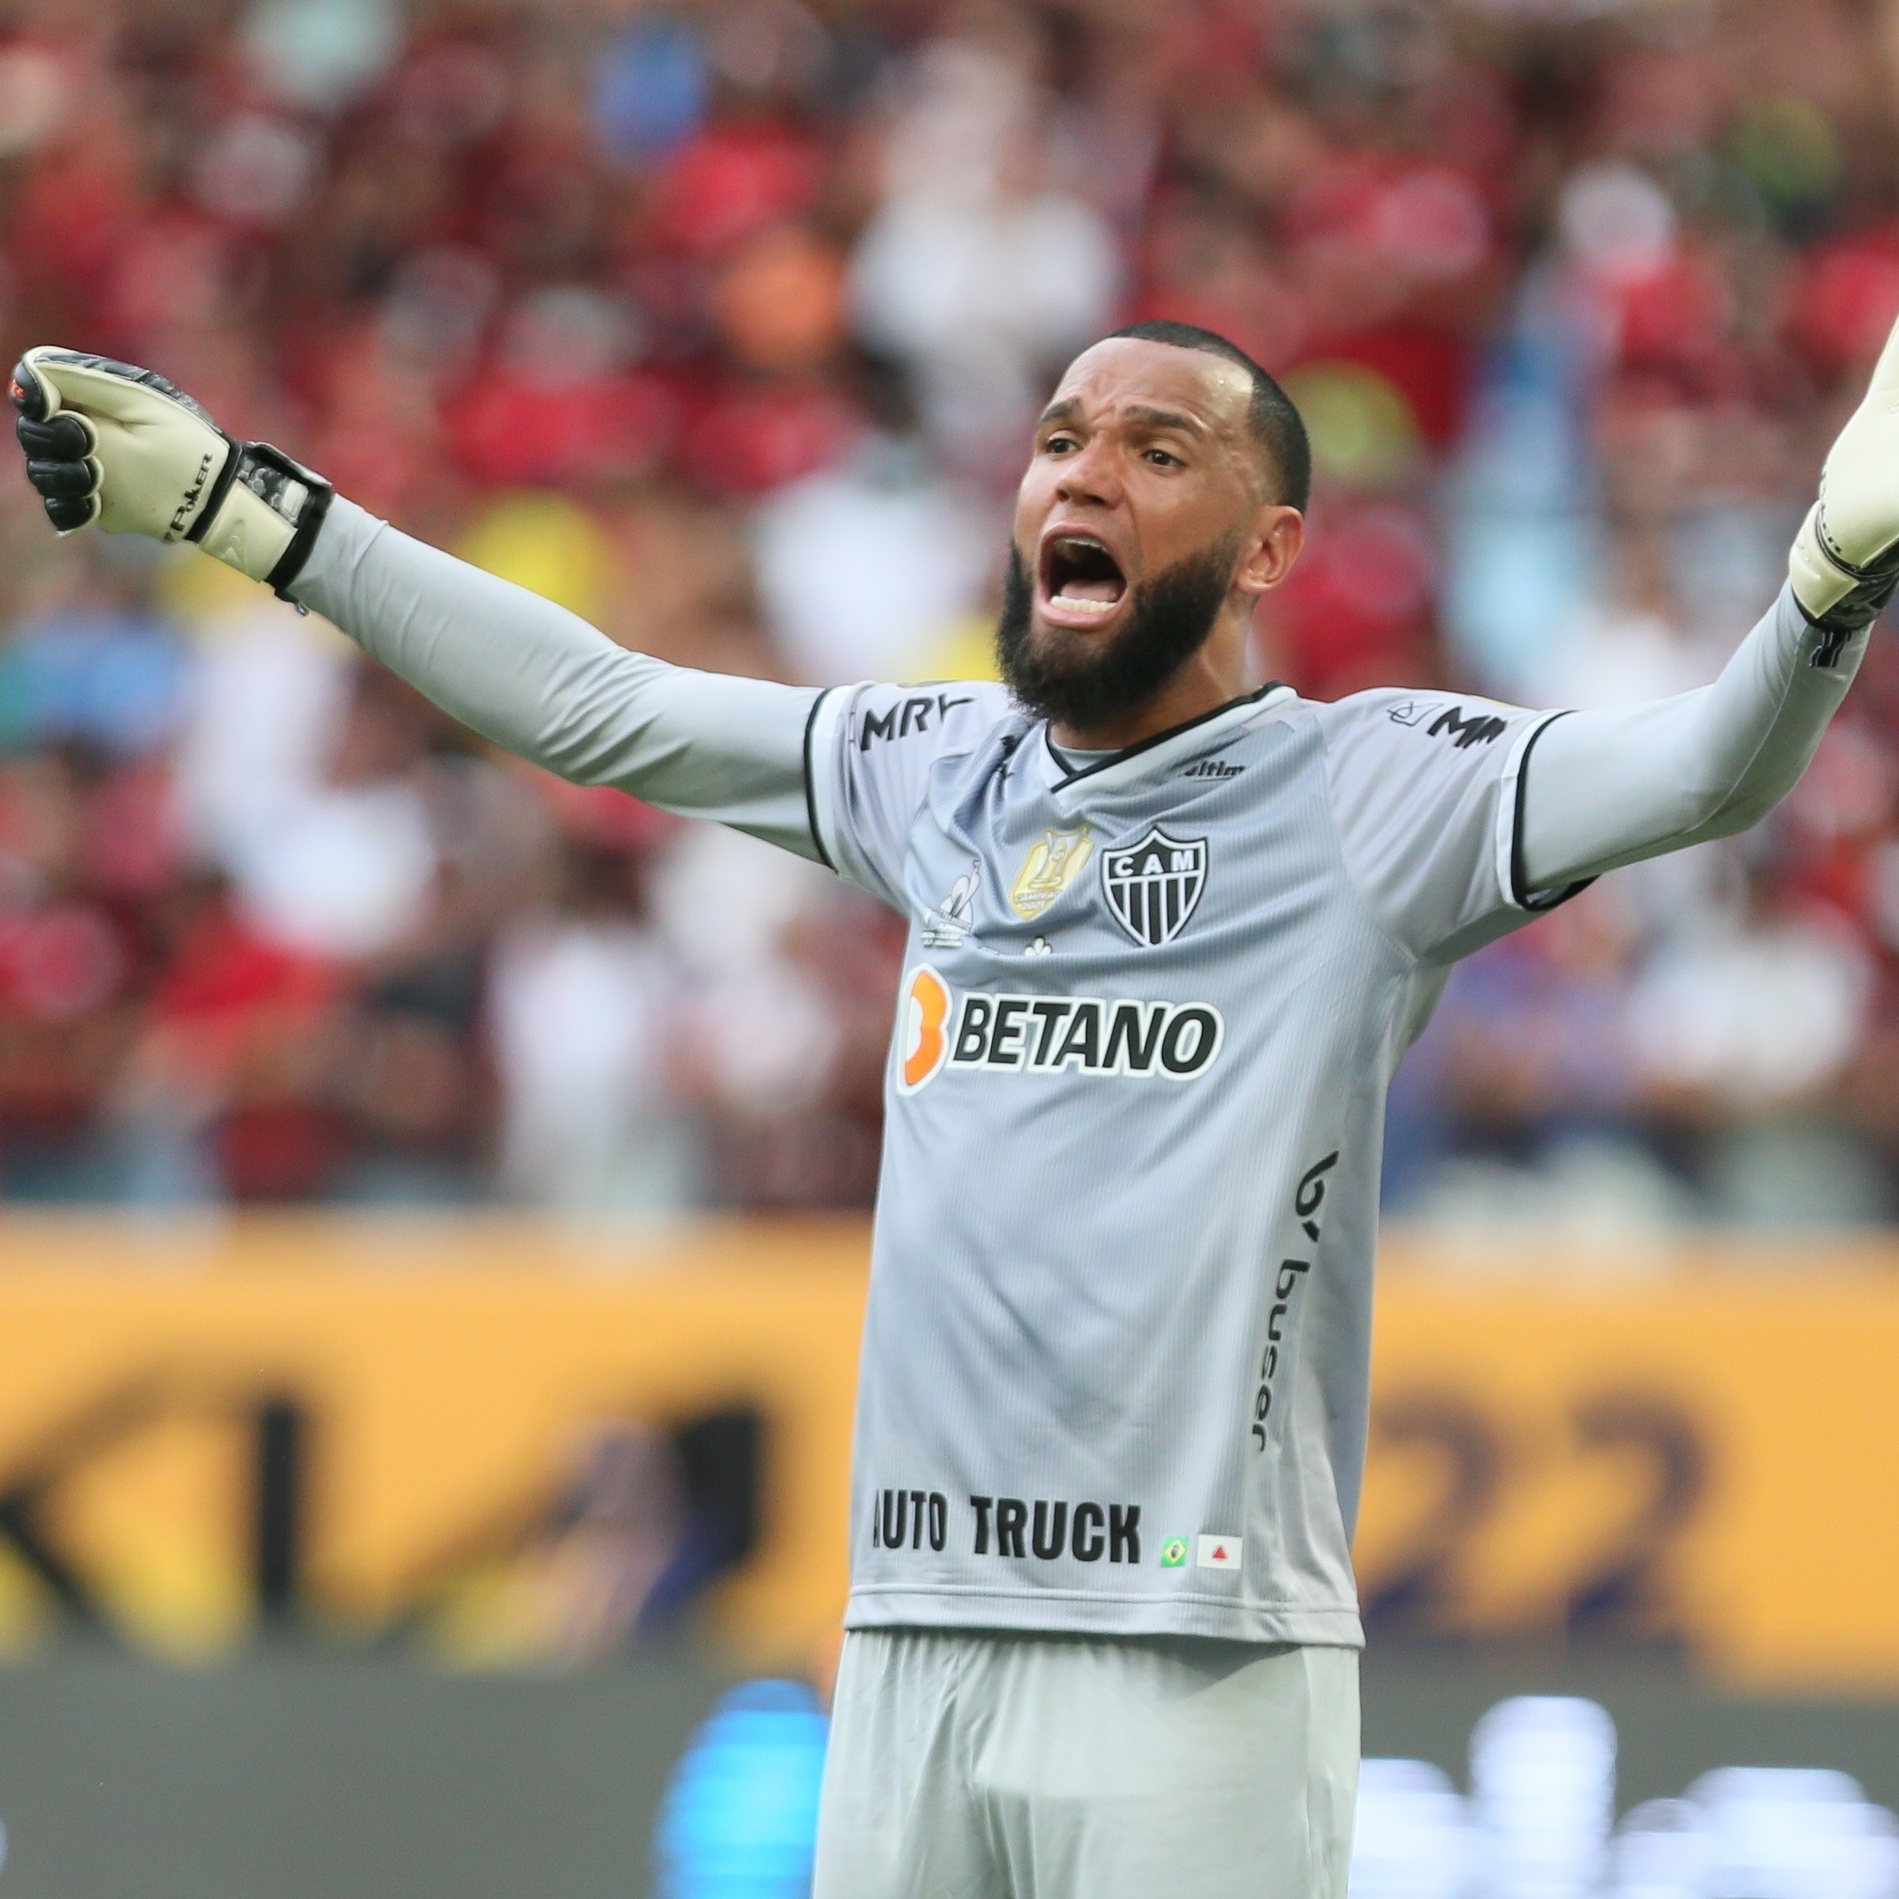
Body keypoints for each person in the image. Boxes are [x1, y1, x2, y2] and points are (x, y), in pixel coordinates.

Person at [13, 315, 1898, 1894]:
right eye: (1063, 437)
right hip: (908, 1637)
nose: (1081, 475)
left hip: (1196, 1655)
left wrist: (1827, 575)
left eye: (1160, 451)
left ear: (1268, 552)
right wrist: (263, 520)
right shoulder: (940, 771)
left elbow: (1707, 775)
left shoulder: (1367, 795)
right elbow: (596, 701)